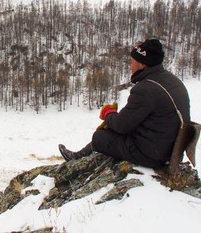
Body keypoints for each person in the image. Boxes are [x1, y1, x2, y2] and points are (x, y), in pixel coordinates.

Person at [59, 39, 190, 168]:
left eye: (132, 62)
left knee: (100, 137)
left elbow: (122, 125)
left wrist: (108, 114)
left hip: (152, 155)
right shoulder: (172, 81)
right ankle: (77, 156)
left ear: (142, 64)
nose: (130, 66)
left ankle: (76, 159)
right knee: (113, 130)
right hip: (169, 151)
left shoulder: (146, 89)